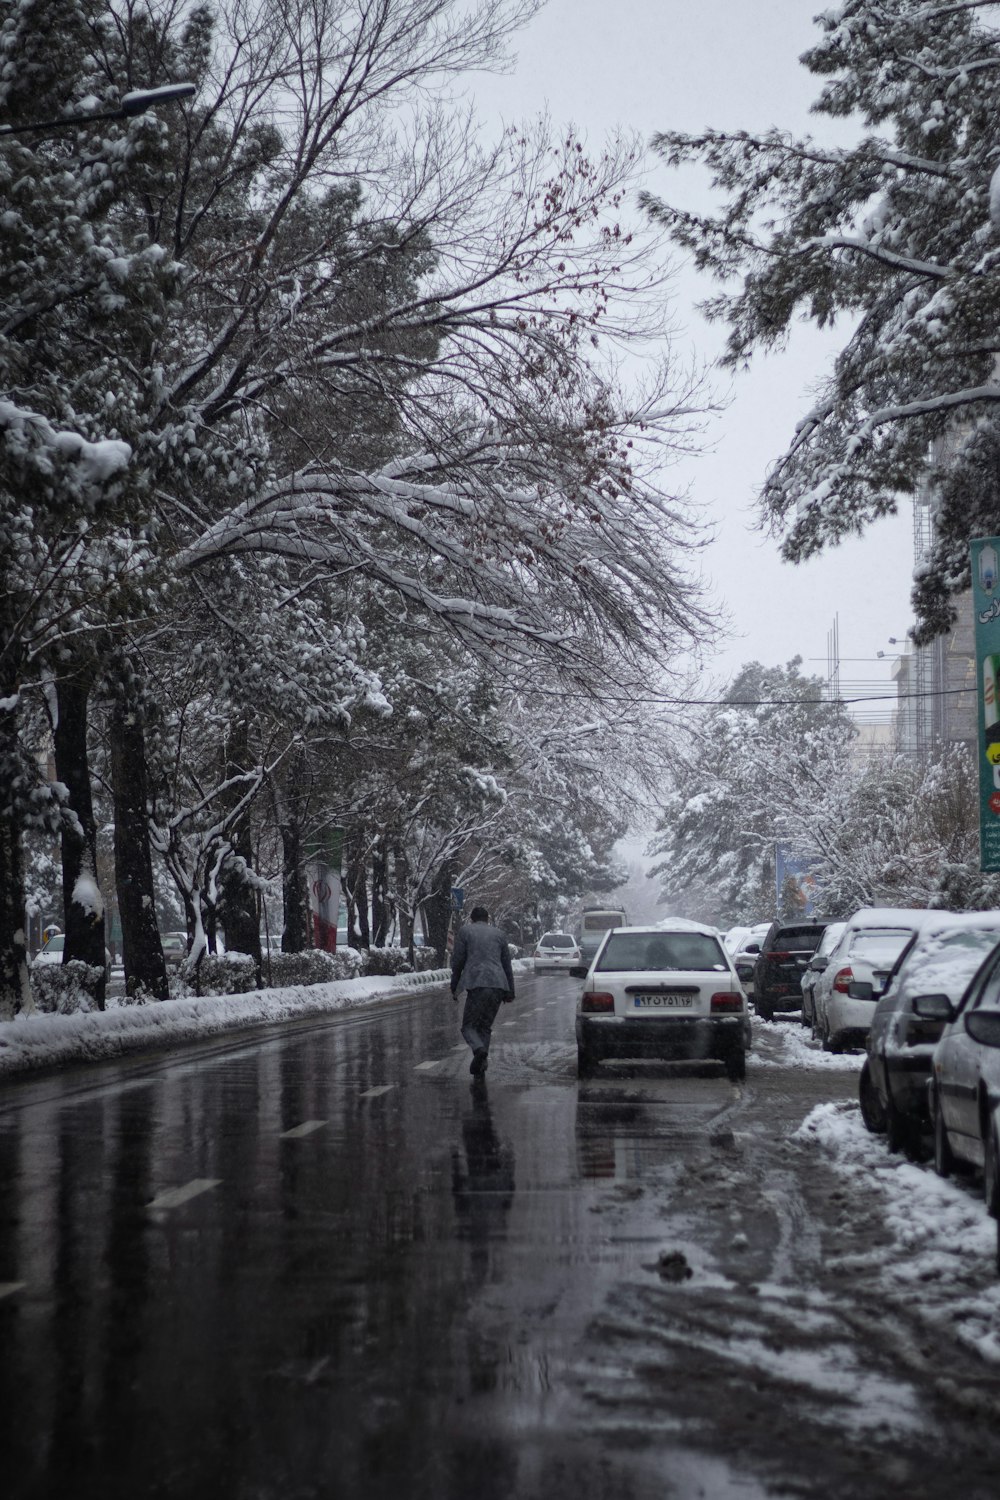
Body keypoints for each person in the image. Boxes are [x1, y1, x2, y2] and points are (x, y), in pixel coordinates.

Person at [450, 906, 515, 1077]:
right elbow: (507, 965)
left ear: (472, 918)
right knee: (485, 1026)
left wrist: (454, 985)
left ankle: (479, 1050)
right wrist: (510, 990)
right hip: (498, 984)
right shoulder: (499, 934)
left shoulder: (465, 932)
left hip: (478, 982)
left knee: (468, 1026)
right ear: (488, 919)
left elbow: (458, 961)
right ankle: (481, 1064)